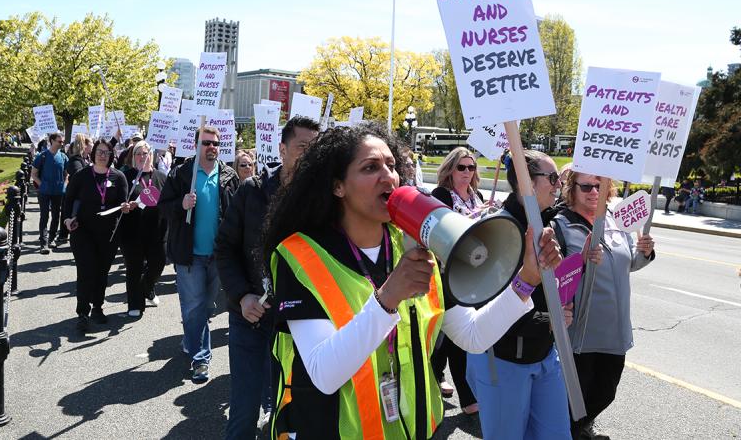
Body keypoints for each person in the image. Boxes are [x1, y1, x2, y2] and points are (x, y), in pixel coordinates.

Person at [263, 123, 561, 439]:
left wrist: (527, 279)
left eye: (391, 166)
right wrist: (388, 298)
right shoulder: (301, 256)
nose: (388, 176)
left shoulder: (416, 244)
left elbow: (473, 336)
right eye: (370, 167)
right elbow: (324, 373)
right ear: (338, 186)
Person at [215, 116, 320, 439]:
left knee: (290, 411)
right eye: (303, 147)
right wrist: (241, 295)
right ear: (282, 149)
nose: (309, 155)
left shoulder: (324, 200)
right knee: (244, 411)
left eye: (315, 149)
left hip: (300, 325)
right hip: (250, 317)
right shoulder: (252, 192)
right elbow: (225, 248)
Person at [465, 150, 582, 439]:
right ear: (526, 183)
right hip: (503, 360)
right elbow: (481, 309)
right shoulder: (496, 231)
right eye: (552, 178)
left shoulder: (551, 225)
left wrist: (563, 308)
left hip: (545, 354)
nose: (558, 184)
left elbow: (557, 286)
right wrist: (545, 316)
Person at [553, 171, 655, 439]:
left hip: (615, 329)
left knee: (605, 392)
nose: (593, 192)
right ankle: (572, 431)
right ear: (571, 188)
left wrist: (643, 252)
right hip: (581, 334)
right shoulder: (561, 225)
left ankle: (580, 426)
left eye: (599, 185)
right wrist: (582, 260)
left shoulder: (614, 219)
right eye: (586, 186)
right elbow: (555, 278)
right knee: (574, 399)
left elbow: (626, 263)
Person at [159, 126, 240, 382]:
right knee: (194, 308)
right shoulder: (182, 174)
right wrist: (180, 205)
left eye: (215, 143)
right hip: (189, 256)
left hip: (218, 256)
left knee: (207, 308)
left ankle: (191, 337)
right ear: (196, 146)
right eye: (206, 143)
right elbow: (162, 208)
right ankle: (200, 359)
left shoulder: (228, 175)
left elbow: (237, 214)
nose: (212, 147)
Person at [427, 147, 484, 414]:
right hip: (447, 272)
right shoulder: (440, 195)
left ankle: (434, 372)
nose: (466, 173)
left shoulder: (478, 196)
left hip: (474, 272)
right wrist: (476, 218)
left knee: (448, 331)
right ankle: (467, 396)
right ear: (450, 169)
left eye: (471, 168)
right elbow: (444, 232)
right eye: (461, 167)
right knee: (460, 329)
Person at [62, 138, 128, 332]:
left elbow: (123, 203)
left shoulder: (118, 177)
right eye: (99, 151)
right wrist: (67, 219)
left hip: (108, 233)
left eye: (106, 152)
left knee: (101, 272)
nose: (102, 155)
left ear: (111, 155)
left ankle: (97, 307)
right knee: (85, 271)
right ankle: (82, 312)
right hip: (83, 231)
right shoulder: (82, 176)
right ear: (93, 154)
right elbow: (69, 199)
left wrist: (126, 207)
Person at [119, 141, 168, 317]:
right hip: (132, 232)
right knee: (134, 268)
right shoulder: (125, 176)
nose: (142, 156)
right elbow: (118, 201)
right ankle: (135, 303)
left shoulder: (162, 177)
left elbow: (168, 201)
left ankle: (148, 288)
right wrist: (124, 206)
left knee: (158, 264)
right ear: (133, 157)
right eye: (138, 153)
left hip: (157, 232)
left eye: (145, 153)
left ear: (151, 155)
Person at [32, 132, 69, 254]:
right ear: (52, 141)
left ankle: (52, 239)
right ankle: (44, 243)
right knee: (44, 216)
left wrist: (65, 184)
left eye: (62, 141)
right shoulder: (42, 156)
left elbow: (67, 173)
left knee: (55, 216)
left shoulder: (63, 157)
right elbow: (34, 174)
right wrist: (42, 184)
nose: (61, 143)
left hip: (58, 192)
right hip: (44, 192)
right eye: (59, 141)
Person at [57, 133, 93, 246]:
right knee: (74, 221)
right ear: (85, 145)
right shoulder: (75, 160)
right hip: (76, 197)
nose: (93, 145)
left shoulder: (86, 159)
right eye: (91, 143)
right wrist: (91, 169)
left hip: (84, 197)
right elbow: (79, 175)